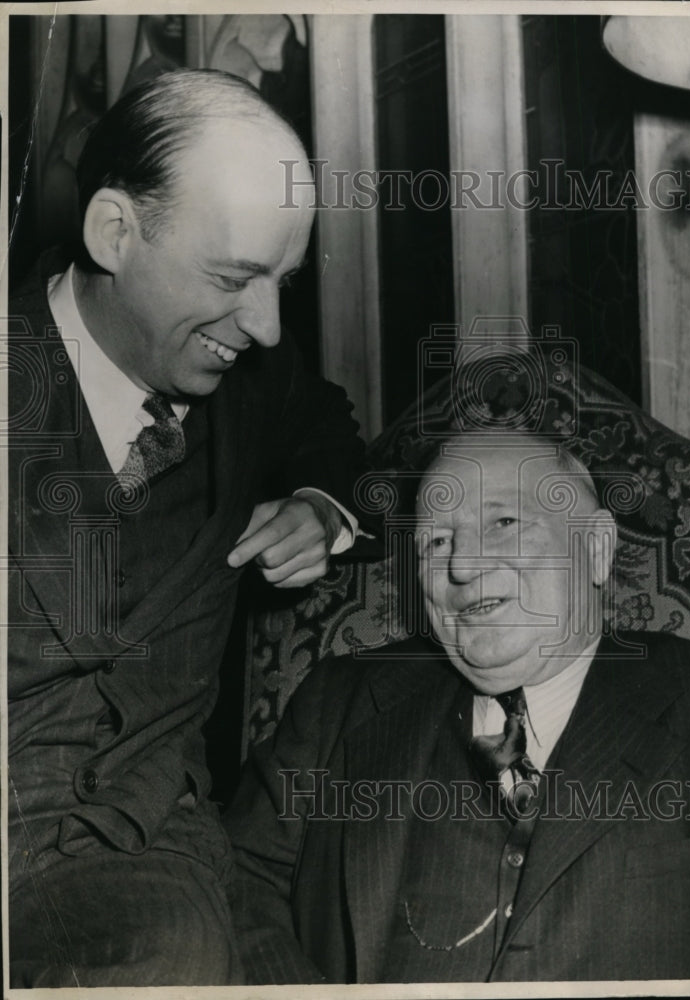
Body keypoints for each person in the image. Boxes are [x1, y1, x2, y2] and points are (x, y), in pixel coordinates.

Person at [7, 68, 369, 987]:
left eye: (283, 282)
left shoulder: (252, 392)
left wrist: (323, 509)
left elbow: (331, 429)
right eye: (235, 278)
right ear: (114, 232)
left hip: (157, 844)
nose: (268, 327)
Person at [226, 433, 690, 983]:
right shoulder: (336, 703)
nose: (462, 565)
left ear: (596, 546)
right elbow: (233, 879)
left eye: (503, 523)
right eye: (435, 542)